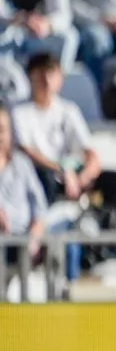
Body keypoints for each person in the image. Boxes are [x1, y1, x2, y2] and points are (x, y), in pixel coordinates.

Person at [11, 54, 116, 225]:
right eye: (41, 74)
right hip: (41, 173)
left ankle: (105, 238)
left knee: (112, 180)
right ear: (30, 77)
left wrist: (84, 176)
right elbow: (27, 152)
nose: (47, 81)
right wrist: (61, 170)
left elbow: (90, 153)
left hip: (68, 174)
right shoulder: (19, 112)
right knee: (45, 177)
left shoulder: (69, 110)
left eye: (52, 74)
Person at [0, 105, 45, 264]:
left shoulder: (22, 163)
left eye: (2, 130)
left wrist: (35, 237)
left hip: (21, 241)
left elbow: (39, 206)